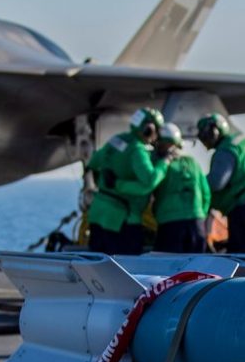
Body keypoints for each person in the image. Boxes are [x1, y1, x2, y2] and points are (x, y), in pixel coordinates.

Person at [83, 108, 167, 254]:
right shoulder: (137, 150)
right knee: (127, 268)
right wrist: (164, 162)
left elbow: (93, 164)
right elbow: (149, 181)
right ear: (149, 129)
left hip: (98, 214)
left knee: (97, 264)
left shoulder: (117, 140)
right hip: (122, 220)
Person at [196, 113, 245, 252]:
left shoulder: (225, 150)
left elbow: (216, 182)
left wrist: (197, 184)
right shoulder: (240, 143)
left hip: (244, 206)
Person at [149, 124, 212, 253]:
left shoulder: (159, 163)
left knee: (167, 269)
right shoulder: (193, 162)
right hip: (197, 224)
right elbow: (206, 194)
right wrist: (200, 215)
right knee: (197, 267)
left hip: (170, 224)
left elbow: (149, 185)